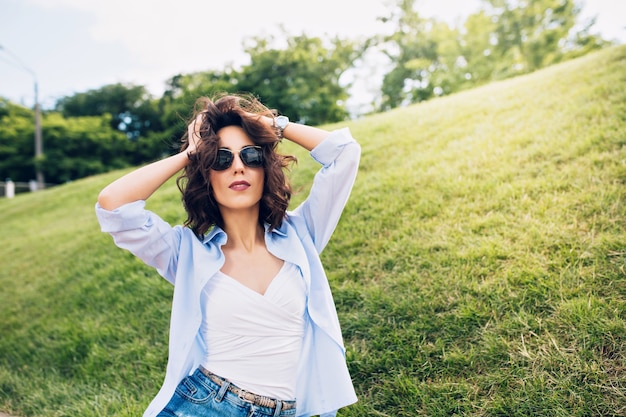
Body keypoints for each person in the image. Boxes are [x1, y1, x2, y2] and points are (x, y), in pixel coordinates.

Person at [95, 93, 361, 417]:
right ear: (207, 174)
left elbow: (344, 154)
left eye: (250, 156)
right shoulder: (186, 253)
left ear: (265, 168)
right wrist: (192, 152)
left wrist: (272, 125)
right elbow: (114, 206)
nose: (238, 167)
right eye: (221, 159)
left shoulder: (302, 234)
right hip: (205, 405)